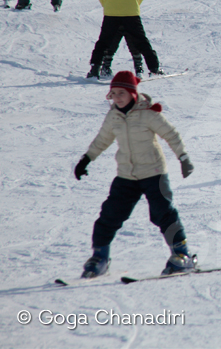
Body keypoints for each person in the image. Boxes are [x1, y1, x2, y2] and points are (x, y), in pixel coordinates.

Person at [74, 71, 196, 278]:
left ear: (132, 93)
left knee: (163, 213)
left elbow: (170, 134)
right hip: (126, 176)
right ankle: (100, 257)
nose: (117, 97)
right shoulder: (113, 116)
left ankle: (182, 255)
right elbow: (102, 139)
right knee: (109, 215)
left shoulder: (148, 113)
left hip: (153, 173)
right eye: (113, 94)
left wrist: (183, 158)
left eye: (122, 93)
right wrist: (86, 159)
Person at [86, 0, 163, 78]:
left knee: (103, 42)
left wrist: (108, 5)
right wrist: (134, 4)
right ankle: (154, 69)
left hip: (111, 13)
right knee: (141, 41)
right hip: (131, 12)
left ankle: (94, 70)